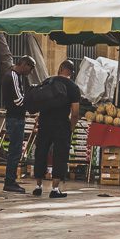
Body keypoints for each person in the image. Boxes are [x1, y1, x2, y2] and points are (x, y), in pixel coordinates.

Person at [31, 59, 82, 200]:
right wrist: (71, 128)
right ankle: (54, 189)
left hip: (45, 122)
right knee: (60, 155)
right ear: (72, 72)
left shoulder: (48, 81)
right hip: (61, 124)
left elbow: (40, 101)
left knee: (41, 152)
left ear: (60, 68)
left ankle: (38, 186)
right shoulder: (73, 87)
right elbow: (76, 112)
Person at [2, 55, 34, 193]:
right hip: (15, 119)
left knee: (15, 151)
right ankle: (9, 182)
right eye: (30, 68)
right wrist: (32, 99)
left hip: (16, 118)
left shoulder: (17, 76)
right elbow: (19, 101)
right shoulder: (13, 76)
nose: (30, 72)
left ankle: (11, 181)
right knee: (14, 152)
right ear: (24, 64)